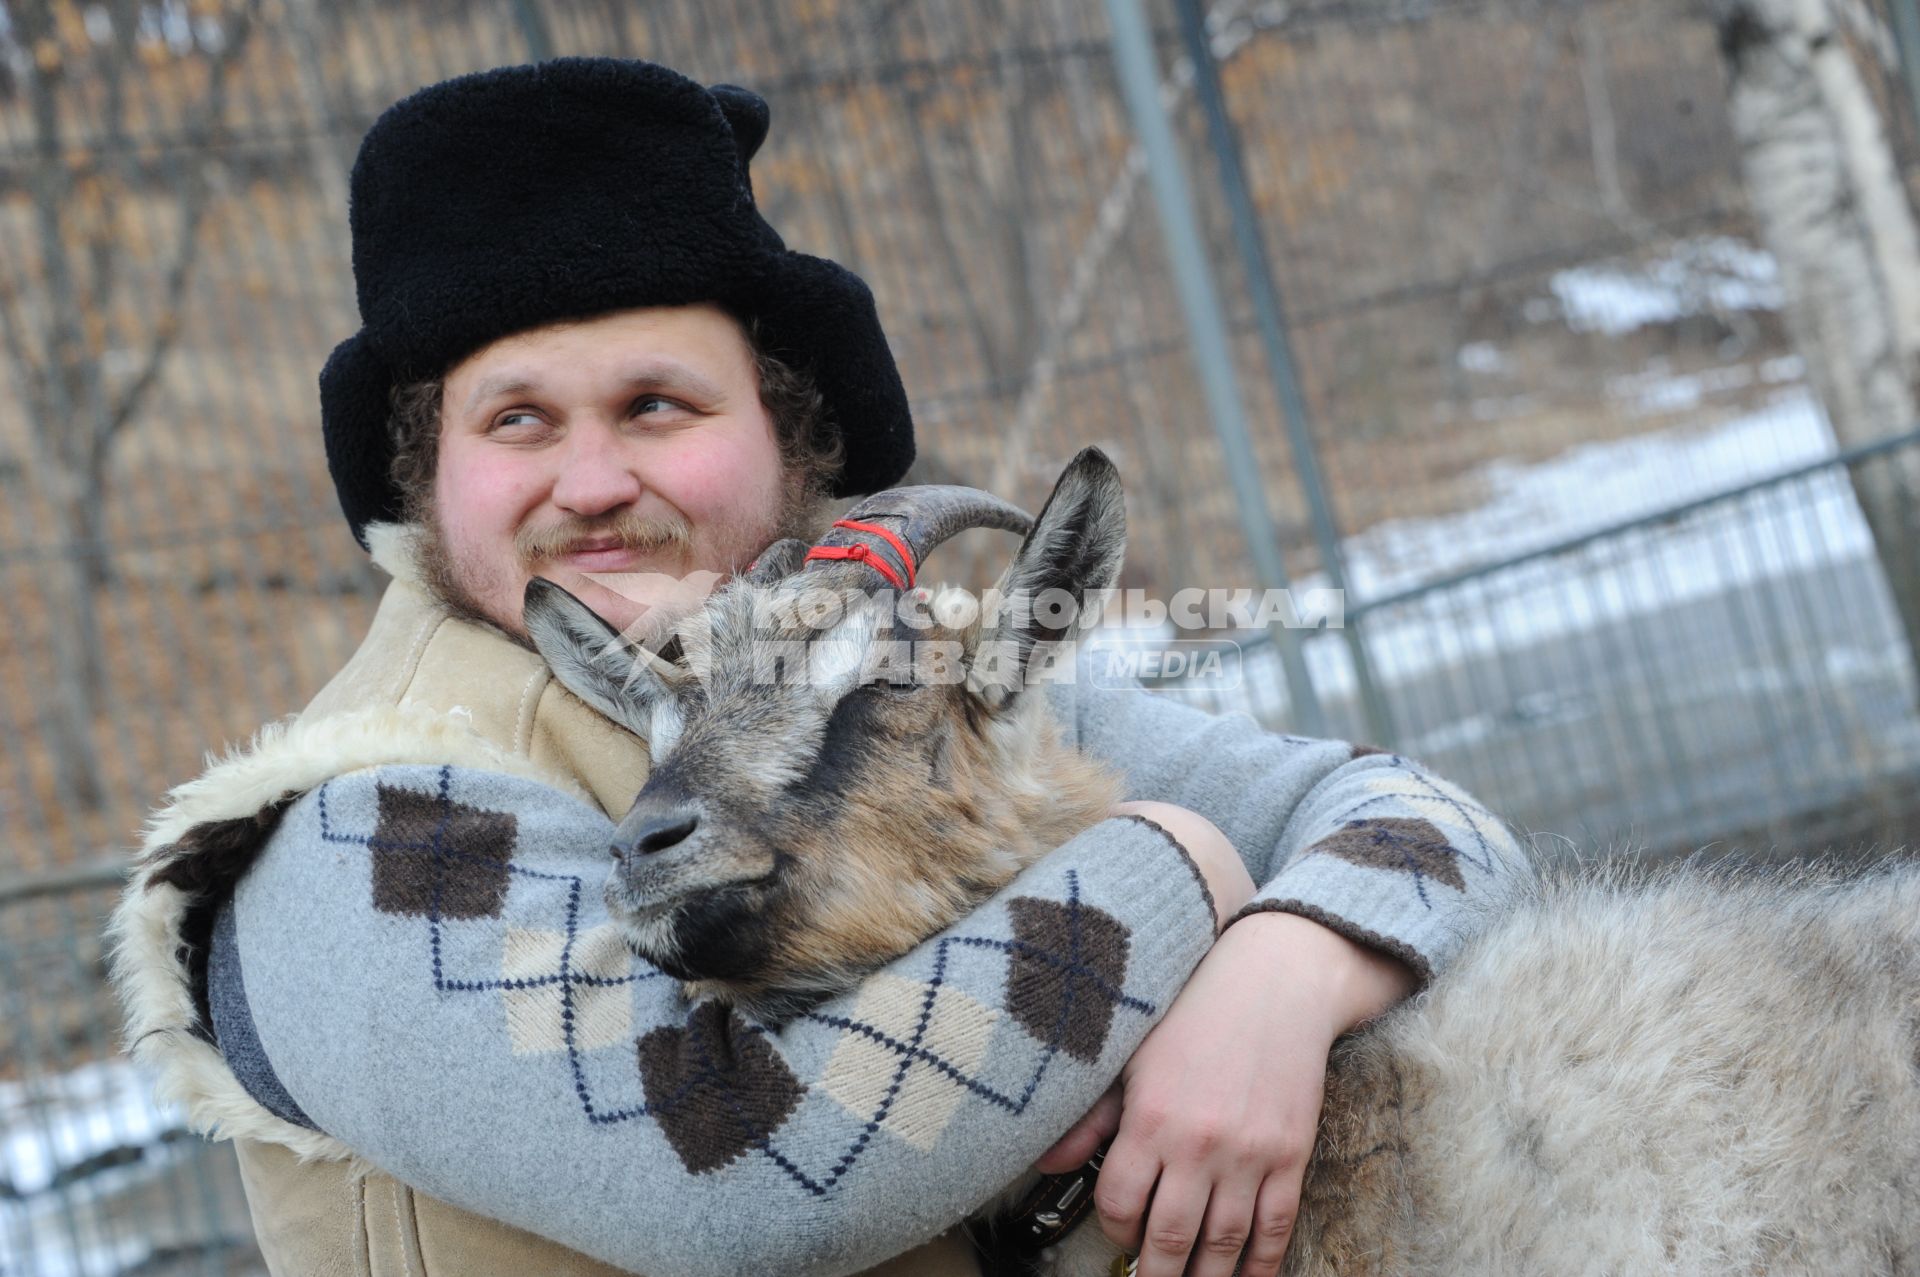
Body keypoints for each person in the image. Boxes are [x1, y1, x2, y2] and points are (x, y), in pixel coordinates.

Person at [110, 58, 1521, 1277]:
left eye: (658, 402)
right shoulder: (349, 834)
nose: (594, 479)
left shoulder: (900, 697)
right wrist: (1184, 867)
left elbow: (1436, 827)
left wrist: (1286, 967)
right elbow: (747, 1172)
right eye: (518, 421)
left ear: (786, 439)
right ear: (430, 476)